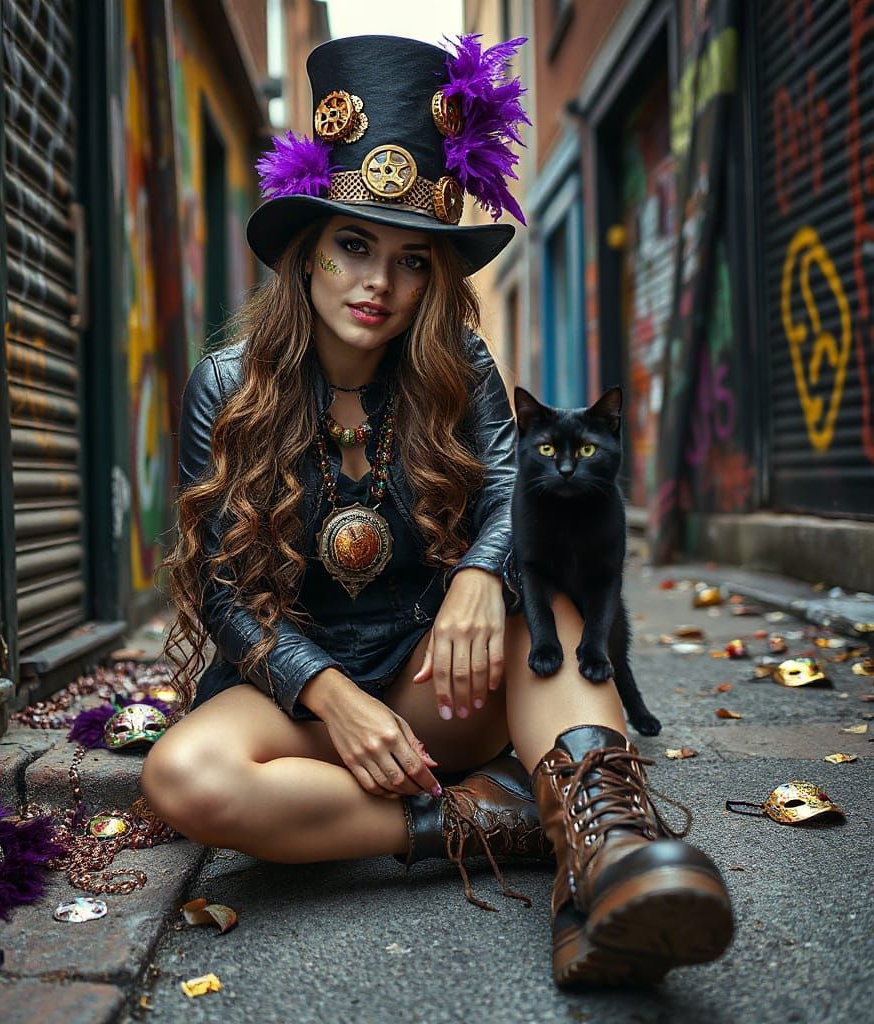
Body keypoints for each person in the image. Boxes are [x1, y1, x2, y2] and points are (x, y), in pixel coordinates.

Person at [142, 33, 734, 988]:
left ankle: (615, 853)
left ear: (435, 276)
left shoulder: (458, 366)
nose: (379, 282)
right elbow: (223, 589)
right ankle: (501, 821)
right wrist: (329, 696)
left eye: (411, 260)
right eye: (353, 245)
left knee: (551, 611)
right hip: (298, 697)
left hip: (436, 679)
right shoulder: (226, 382)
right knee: (183, 777)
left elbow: (513, 494)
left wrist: (474, 578)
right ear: (307, 252)